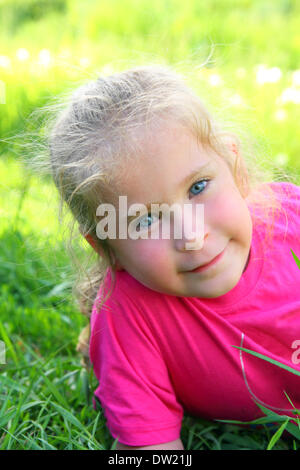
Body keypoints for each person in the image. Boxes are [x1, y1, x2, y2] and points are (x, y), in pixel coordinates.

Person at [45, 65, 300, 450]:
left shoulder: (291, 219)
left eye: (198, 187)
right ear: (107, 248)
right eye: (145, 220)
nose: (192, 237)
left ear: (234, 166)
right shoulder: (127, 315)